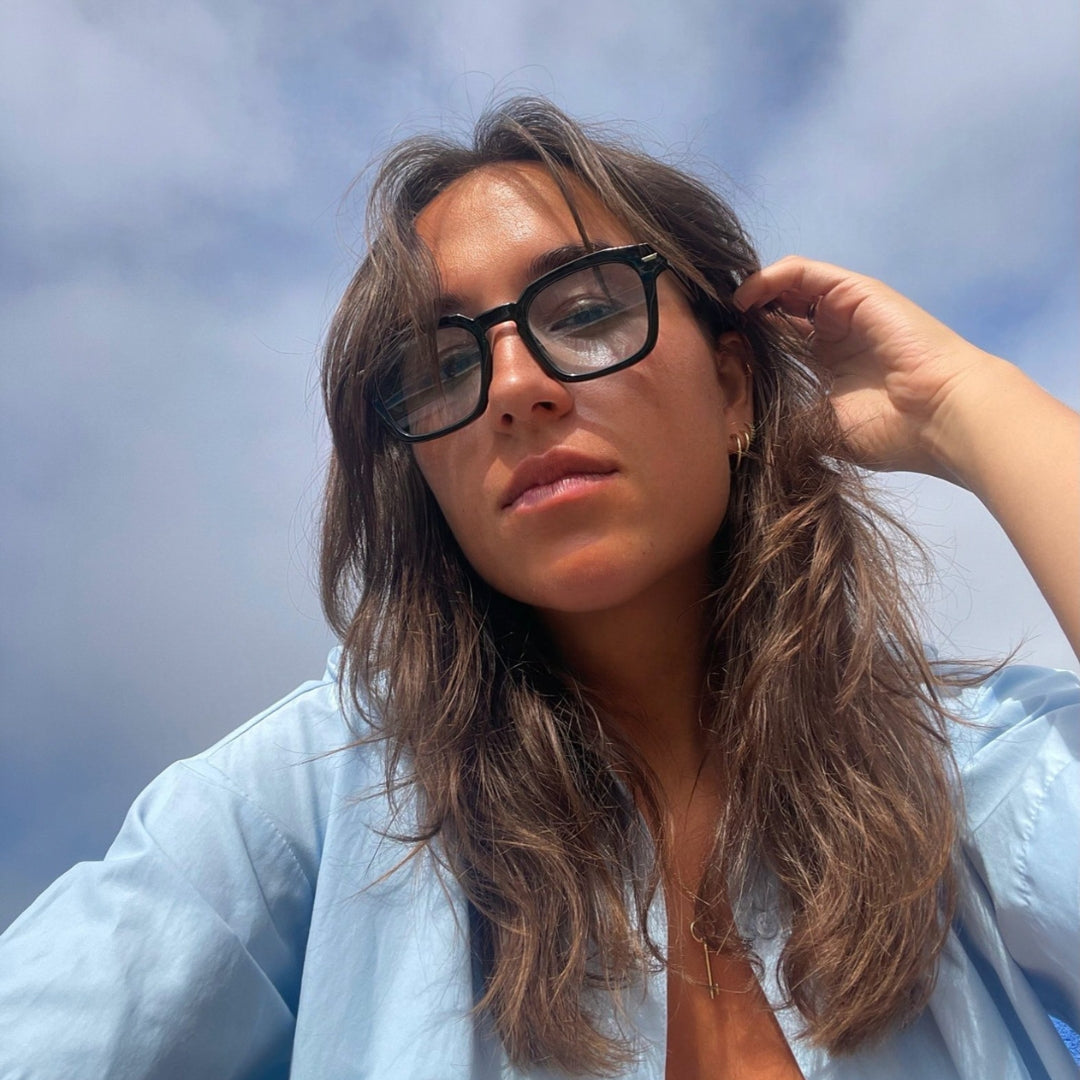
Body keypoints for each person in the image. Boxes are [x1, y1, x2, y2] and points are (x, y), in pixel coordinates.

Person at [1, 98, 1077, 1080]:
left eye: (588, 310)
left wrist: (966, 407)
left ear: (733, 389)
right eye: (443, 366)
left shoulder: (952, 768)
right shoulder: (307, 799)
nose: (514, 386)